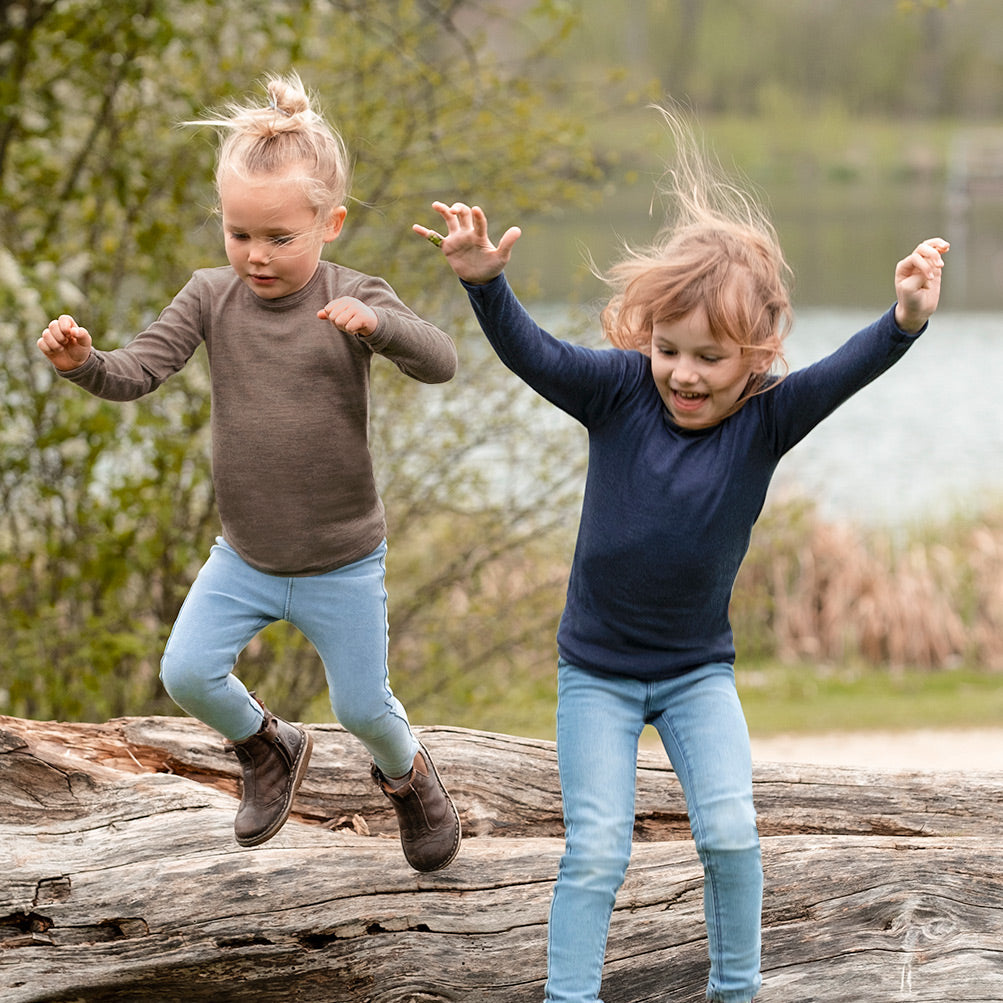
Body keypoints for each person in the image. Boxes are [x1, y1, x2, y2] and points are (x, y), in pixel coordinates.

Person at [414, 109, 948, 1000]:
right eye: (668, 350)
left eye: (710, 357)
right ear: (645, 341)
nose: (684, 374)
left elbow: (846, 370)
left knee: (732, 833)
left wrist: (902, 317)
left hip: (698, 672)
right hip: (597, 672)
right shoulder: (618, 392)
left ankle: (734, 990)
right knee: (596, 848)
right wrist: (484, 287)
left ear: (755, 358)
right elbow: (533, 354)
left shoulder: (767, 420)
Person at [37, 73, 462, 872]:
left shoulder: (353, 294)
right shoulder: (209, 297)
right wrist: (82, 363)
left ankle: (410, 781)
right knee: (187, 673)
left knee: (365, 707)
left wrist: (381, 327)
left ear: (328, 224)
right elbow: (137, 371)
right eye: (239, 234)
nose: (256, 255)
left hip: (342, 559)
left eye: (278, 237)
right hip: (245, 558)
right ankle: (269, 746)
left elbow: (439, 361)